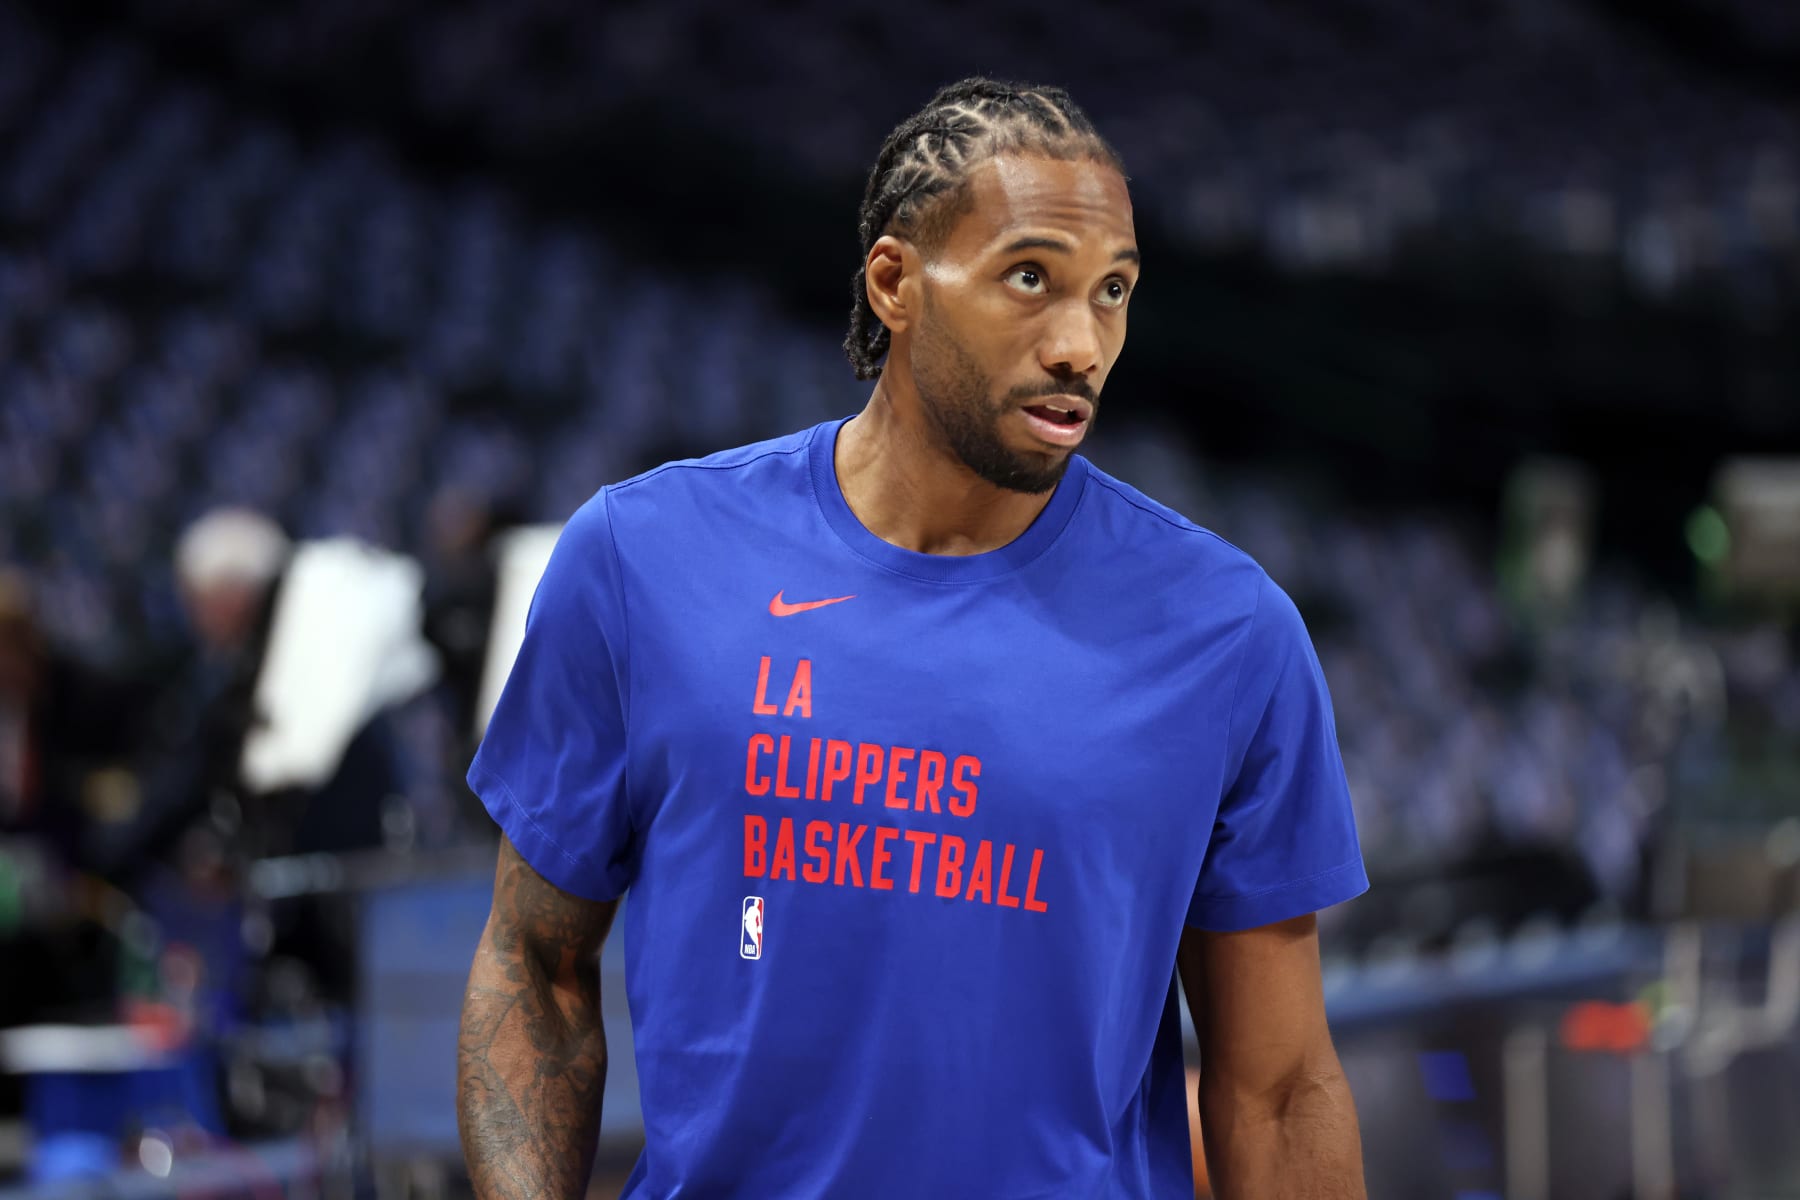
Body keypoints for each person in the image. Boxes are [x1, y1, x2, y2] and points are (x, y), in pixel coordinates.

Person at [459, 77, 1368, 1198]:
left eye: (1114, 291)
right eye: (1029, 279)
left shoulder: (1229, 636)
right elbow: (533, 963)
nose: (1082, 345)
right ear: (895, 282)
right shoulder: (640, 558)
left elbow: (1275, 1090)